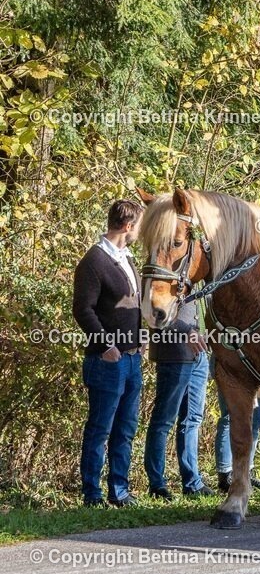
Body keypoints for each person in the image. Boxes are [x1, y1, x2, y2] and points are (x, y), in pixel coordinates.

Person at [72, 199, 146, 507]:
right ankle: (92, 494)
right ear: (128, 226)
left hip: (132, 359)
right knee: (100, 429)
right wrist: (105, 345)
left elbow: (134, 305)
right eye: (139, 227)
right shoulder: (94, 261)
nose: (139, 233)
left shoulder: (128, 259)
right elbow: (83, 310)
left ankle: (120, 490)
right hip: (107, 360)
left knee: (126, 429)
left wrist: (142, 335)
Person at [143, 297, 213, 500]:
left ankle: (192, 482)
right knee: (163, 421)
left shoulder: (195, 275)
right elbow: (155, 311)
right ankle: (157, 484)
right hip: (174, 354)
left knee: (192, 420)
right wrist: (187, 331)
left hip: (200, 354)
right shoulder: (164, 270)